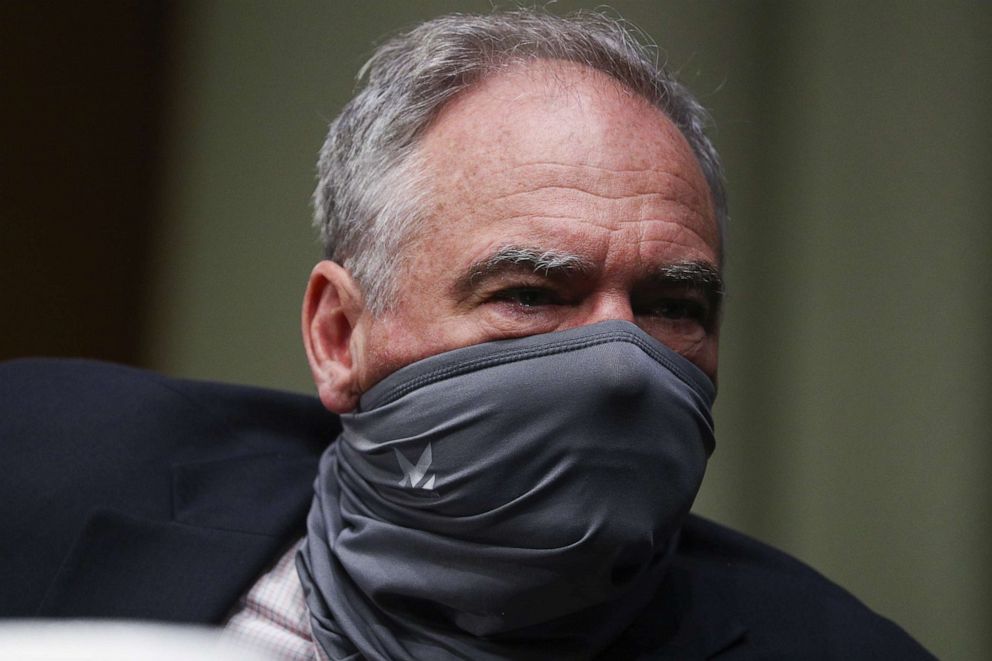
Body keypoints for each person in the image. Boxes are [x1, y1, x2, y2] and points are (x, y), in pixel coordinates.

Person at [0, 9, 933, 660]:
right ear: (339, 335)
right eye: (531, 292)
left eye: (672, 308)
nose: (621, 367)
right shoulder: (37, 462)